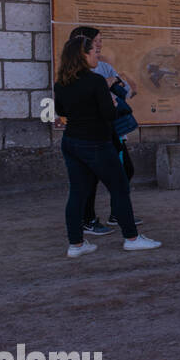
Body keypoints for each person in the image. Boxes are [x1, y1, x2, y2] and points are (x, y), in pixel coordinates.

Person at [54, 35, 160, 257]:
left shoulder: (61, 82)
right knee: (120, 188)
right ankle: (131, 238)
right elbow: (110, 114)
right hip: (96, 143)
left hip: (71, 142)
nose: (97, 55)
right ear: (83, 55)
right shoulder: (95, 81)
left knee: (77, 193)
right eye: (94, 51)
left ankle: (76, 244)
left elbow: (62, 111)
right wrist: (111, 102)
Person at [68, 25, 139, 235]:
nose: (99, 45)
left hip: (110, 129)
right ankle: (88, 222)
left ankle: (117, 215)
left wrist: (119, 84)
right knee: (88, 180)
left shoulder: (105, 67)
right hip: (89, 134)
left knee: (124, 171)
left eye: (100, 41)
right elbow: (67, 104)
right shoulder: (72, 74)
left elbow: (124, 91)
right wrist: (103, 87)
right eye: (96, 42)